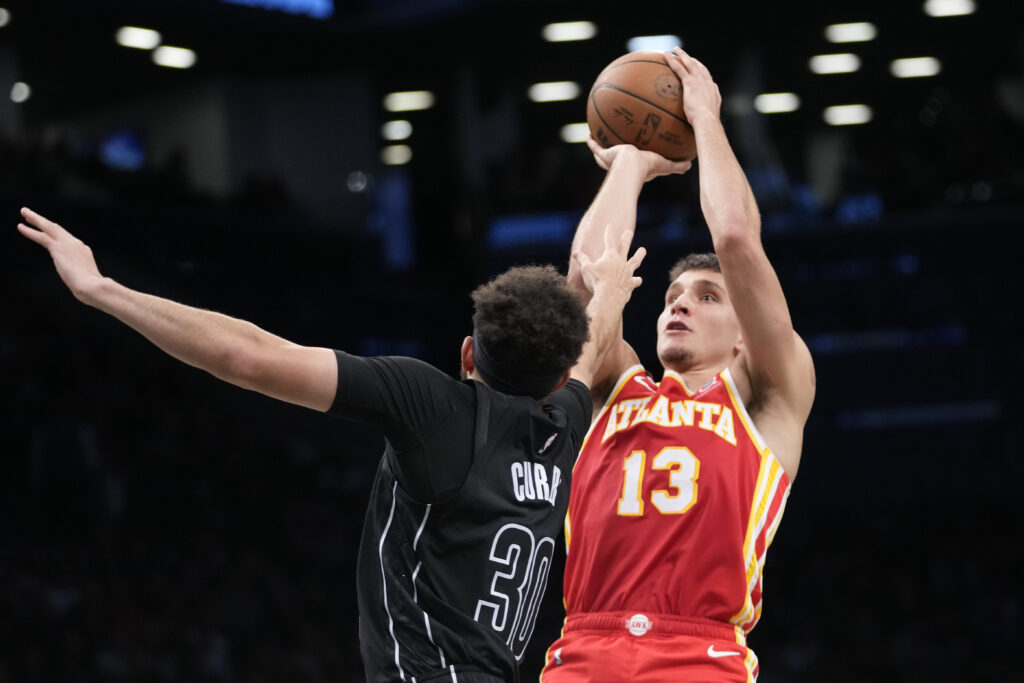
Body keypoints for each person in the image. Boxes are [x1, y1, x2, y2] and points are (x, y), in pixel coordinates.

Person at [17, 206, 647, 683]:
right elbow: (591, 335)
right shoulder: (566, 424)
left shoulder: (435, 405)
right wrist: (616, 273)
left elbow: (248, 356)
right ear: (558, 380)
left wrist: (103, 290)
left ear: (465, 355)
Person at [540, 48, 816, 682]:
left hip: (700, 654)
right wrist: (630, 165)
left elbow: (736, 238)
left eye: (707, 296)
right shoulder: (615, 390)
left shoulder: (767, 398)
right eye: (671, 297)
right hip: (584, 648)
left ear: (745, 336)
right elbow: (585, 279)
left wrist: (706, 117)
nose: (679, 305)